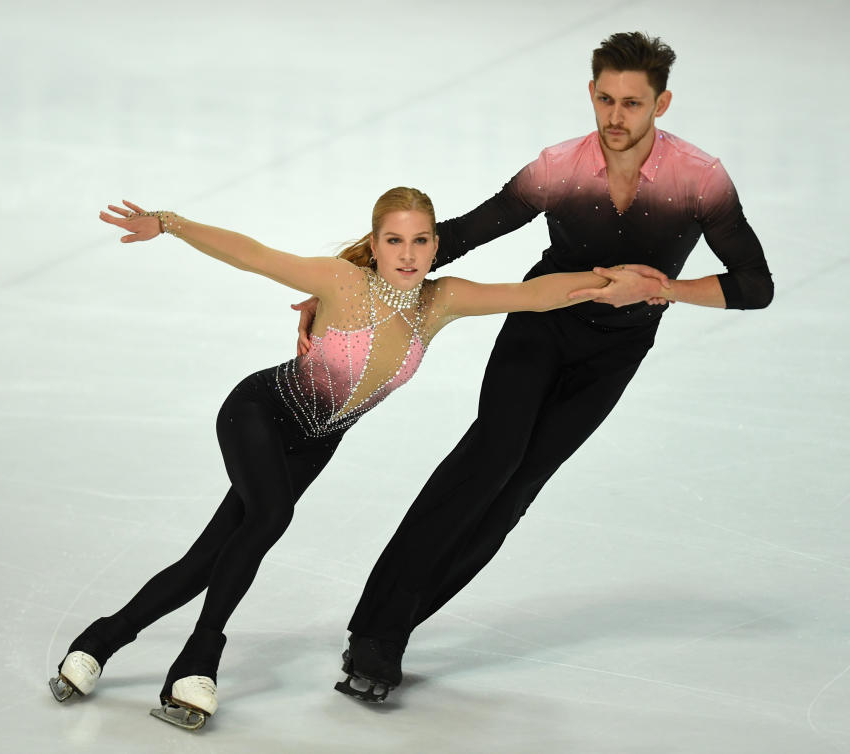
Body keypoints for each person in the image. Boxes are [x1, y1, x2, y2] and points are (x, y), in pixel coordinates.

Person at [47, 188, 661, 729]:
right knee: (266, 521)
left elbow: (533, 295)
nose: (408, 253)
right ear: (375, 242)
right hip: (259, 412)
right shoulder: (343, 283)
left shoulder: (440, 302)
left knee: (210, 557)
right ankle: (198, 660)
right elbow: (252, 253)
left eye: (421, 240)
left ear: (435, 244)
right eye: (394, 240)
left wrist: (617, 285)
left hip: (316, 442)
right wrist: (170, 222)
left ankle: (97, 642)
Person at [294, 32, 774, 703]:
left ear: (661, 103)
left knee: (516, 493)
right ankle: (377, 640)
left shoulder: (700, 178)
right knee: (487, 461)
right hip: (541, 326)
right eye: (605, 98)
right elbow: (461, 233)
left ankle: (390, 624)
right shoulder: (560, 165)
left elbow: (756, 284)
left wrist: (662, 288)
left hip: (615, 353)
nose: (615, 116)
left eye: (632, 103)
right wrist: (348, 279)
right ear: (591, 93)